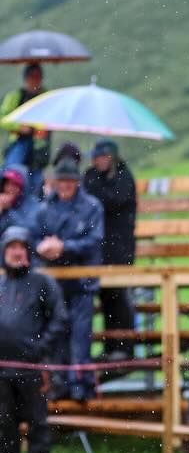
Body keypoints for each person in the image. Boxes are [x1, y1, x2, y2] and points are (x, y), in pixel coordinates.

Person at [32, 157, 104, 401]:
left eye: (69, 181)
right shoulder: (44, 209)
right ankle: (58, 382)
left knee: (80, 334)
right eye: (61, 181)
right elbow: (33, 237)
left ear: (77, 182)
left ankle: (79, 385)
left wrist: (64, 247)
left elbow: (94, 241)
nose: (65, 186)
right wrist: (43, 247)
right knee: (55, 332)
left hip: (82, 282)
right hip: (54, 283)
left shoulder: (92, 207)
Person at [0, 226, 66, 453]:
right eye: (10, 247)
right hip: (2, 370)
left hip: (32, 368)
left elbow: (59, 320)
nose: (16, 253)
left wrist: (39, 348)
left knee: (38, 425)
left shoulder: (42, 283)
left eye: (20, 247)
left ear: (28, 252)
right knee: (4, 425)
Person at [82, 139, 138, 361]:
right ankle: (110, 346)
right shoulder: (92, 177)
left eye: (103, 157)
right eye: (97, 157)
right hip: (101, 248)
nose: (99, 161)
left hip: (120, 247)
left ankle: (124, 347)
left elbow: (114, 200)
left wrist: (96, 191)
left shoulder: (123, 176)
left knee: (120, 296)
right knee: (106, 297)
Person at [1, 62, 51, 196]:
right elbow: (3, 119)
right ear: (25, 78)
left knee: (35, 178)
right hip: (19, 142)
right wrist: (19, 127)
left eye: (37, 76)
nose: (34, 80)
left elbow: (52, 119)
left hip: (39, 145)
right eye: (31, 76)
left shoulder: (47, 97)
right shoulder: (16, 96)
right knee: (10, 171)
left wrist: (37, 128)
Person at [0, 165, 36, 235]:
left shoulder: (32, 205)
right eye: (7, 183)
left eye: (15, 185)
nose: (10, 188)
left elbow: (26, 232)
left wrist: (8, 210)